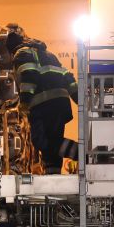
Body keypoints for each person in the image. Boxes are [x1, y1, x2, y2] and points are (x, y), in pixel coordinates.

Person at [5, 24, 78, 173]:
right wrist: (78, 99)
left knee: (41, 141)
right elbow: (67, 76)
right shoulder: (48, 54)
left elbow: (29, 73)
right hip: (60, 104)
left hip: (43, 104)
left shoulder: (21, 53)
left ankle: (81, 153)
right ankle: (53, 175)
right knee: (52, 141)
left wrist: (25, 102)